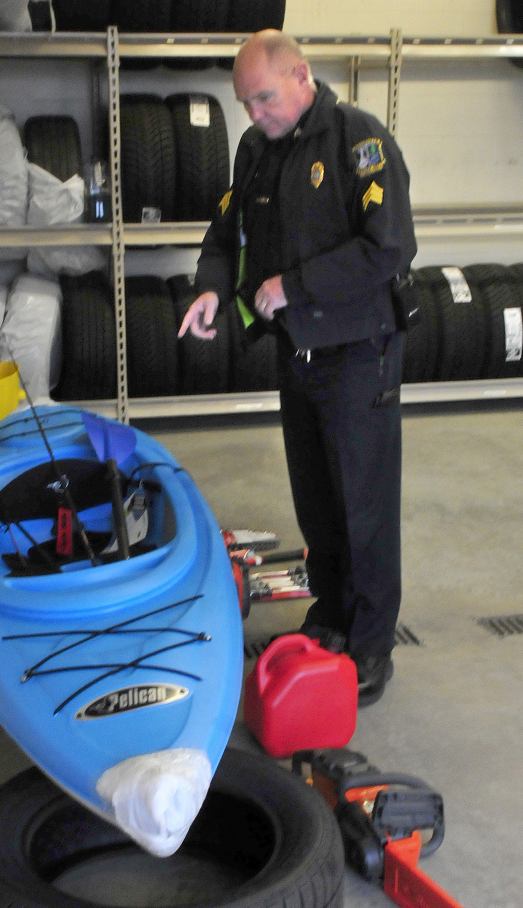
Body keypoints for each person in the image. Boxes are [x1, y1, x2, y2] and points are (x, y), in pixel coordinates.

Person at [178, 29, 417, 706]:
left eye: (262, 97)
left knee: (364, 506)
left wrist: (294, 285)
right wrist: (209, 288)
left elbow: (389, 248)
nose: (253, 113)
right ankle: (331, 614)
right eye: (244, 103)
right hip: (298, 353)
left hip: (358, 354)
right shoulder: (255, 151)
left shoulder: (357, 141)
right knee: (317, 498)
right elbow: (226, 236)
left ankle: (369, 643)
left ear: (301, 76)